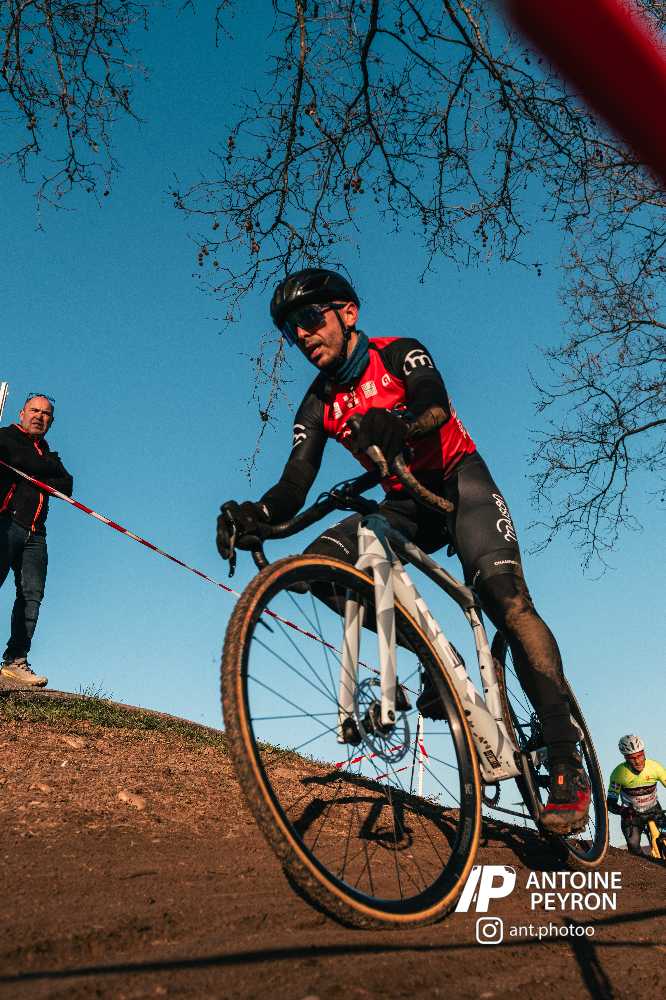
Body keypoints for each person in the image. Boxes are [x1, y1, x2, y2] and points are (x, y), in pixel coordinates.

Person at [216, 267, 590, 834]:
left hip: (459, 484)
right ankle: (434, 660)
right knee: (321, 569)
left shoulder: (398, 353)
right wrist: (258, 516)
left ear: (348, 313)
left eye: (311, 318)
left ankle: (564, 753)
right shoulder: (318, 404)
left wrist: (398, 423)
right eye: (292, 329)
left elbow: (434, 405)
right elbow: (295, 482)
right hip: (403, 502)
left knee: (507, 603)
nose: (302, 334)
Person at [0, 394, 73, 687]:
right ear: (21, 413)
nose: (39, 417)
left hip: (35, 534)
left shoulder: (49, 454)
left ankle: (15, 661)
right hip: (5, 523)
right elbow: (18, 459)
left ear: (51, 421)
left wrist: (31, 470)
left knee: (32, 595)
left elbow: (67, 485)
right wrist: (38, 468)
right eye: (34, 410)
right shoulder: (5, 438)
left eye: (45, 414)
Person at [607, 735, 666, 856]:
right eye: (632, 758)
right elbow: (610, 803)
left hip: (654, 810)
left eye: (640, 755)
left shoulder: (655, 767)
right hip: (632, 814)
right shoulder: (618, 774)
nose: (638, 761)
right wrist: (623, 811)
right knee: (633, 846)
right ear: (625, 758)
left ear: (644, 752)